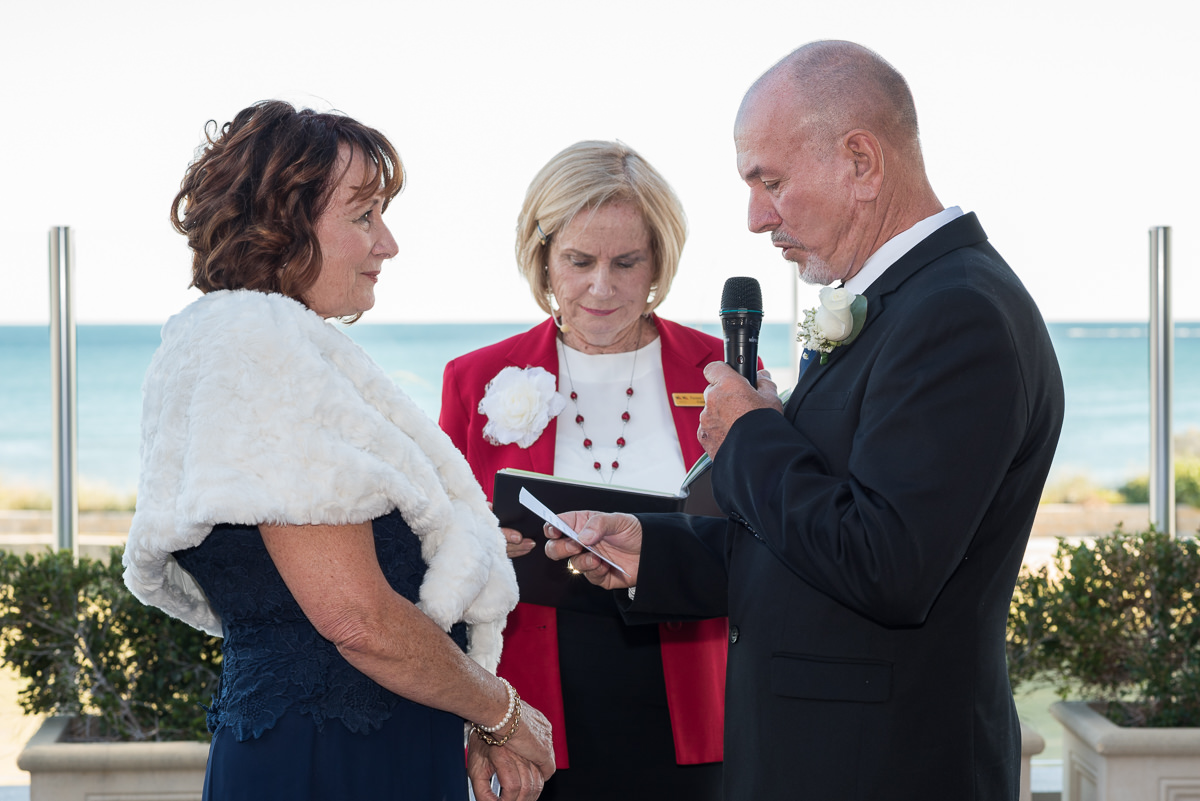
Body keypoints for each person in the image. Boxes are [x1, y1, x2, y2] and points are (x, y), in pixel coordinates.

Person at [544, 41, 1066, 801]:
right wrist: (656, 553)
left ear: (861, 161)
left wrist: (750, 431)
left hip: (881, 768)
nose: (757, 216)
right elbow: (817, 538)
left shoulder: (958, 313)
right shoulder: (905, 303)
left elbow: (885, 562)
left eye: (771, 181)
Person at [122, 100, 554, 801]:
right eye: (363, 216)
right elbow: (356, 617)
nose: (387, 243)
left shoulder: (245, 343)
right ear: (283, 225)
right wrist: (501, 712)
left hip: (343, 753)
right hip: (330, 765)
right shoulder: (259, 348)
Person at [438, 140, 732, 800]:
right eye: (579, 260)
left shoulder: (717, 370)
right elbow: (434, 560)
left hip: (694, 699)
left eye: (627, 262)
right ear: (543, 259)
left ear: (659, 259)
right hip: (538, 708)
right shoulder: (475, 379)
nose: (602, 286)